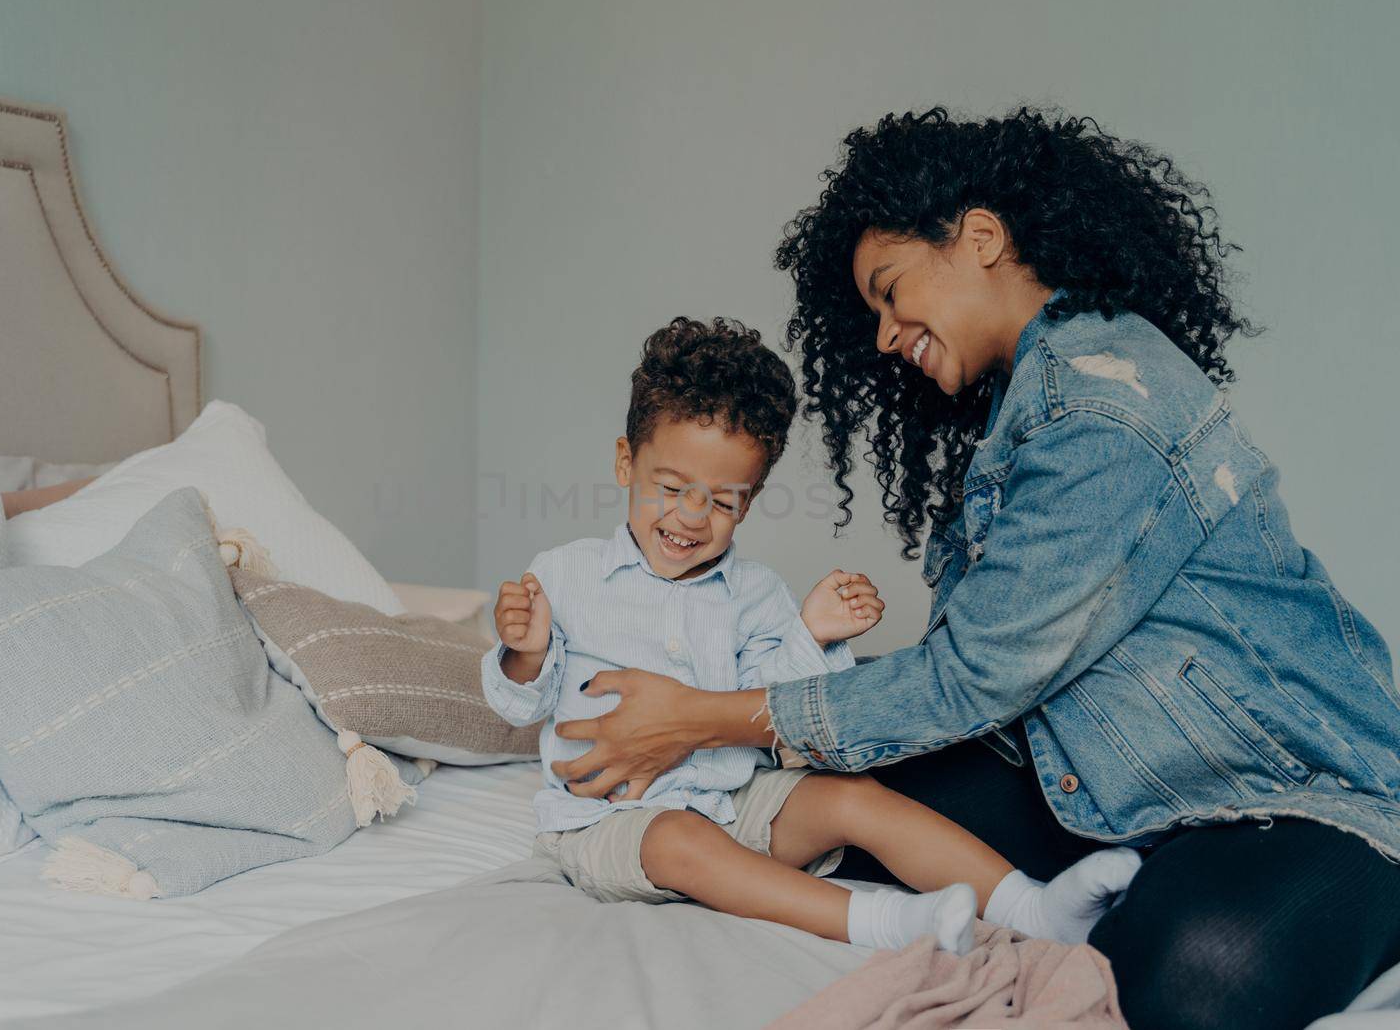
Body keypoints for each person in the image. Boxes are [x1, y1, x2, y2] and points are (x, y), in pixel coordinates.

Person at [546, 109, 1400, 1030]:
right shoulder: (1026, 393)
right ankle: (1108, 878)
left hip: (1279, 785)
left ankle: (1315, 889)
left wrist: (697, 718)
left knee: (1194, 973)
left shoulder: (1100, 408)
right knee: (838, 820)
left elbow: (975, 676)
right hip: (1096, 765)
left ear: (981, 239)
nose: (880, 336)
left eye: (889, 290)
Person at [482, 316, 1141, 955]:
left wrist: (811, 630)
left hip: (736, 797)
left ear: (749, 499)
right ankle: (881, 919)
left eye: (721, 500)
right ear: (627, 463)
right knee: (679, 839)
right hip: (611, 822)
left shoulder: (756, 591)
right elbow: (520, 704)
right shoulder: (565, 574)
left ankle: (1030, 905)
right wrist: (525, 651)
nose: (690, 515)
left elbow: (782, 716)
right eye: (672, 487)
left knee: (852, 797)